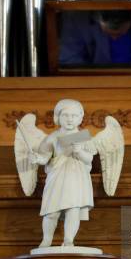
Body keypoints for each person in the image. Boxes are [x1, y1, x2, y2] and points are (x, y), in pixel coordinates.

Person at [29, 99, 97, 247]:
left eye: (74, 115)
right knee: (51, 211)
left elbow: (89, 158)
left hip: (76, 177)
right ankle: (46, 240)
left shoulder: (84, 137)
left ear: (80, 118)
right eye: (65, 115)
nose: (70, 119)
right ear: (58, 117)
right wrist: (37, 158)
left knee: (73, 208)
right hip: (57, 176)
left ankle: (68, 240)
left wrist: (80, 152)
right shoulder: (53, 137)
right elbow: (45, 157)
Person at [59, 10, 131, 66]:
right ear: (97, 18)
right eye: (110, 33)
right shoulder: (76, 18)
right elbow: (69, 61)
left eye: (120, 34)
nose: (115, 38)